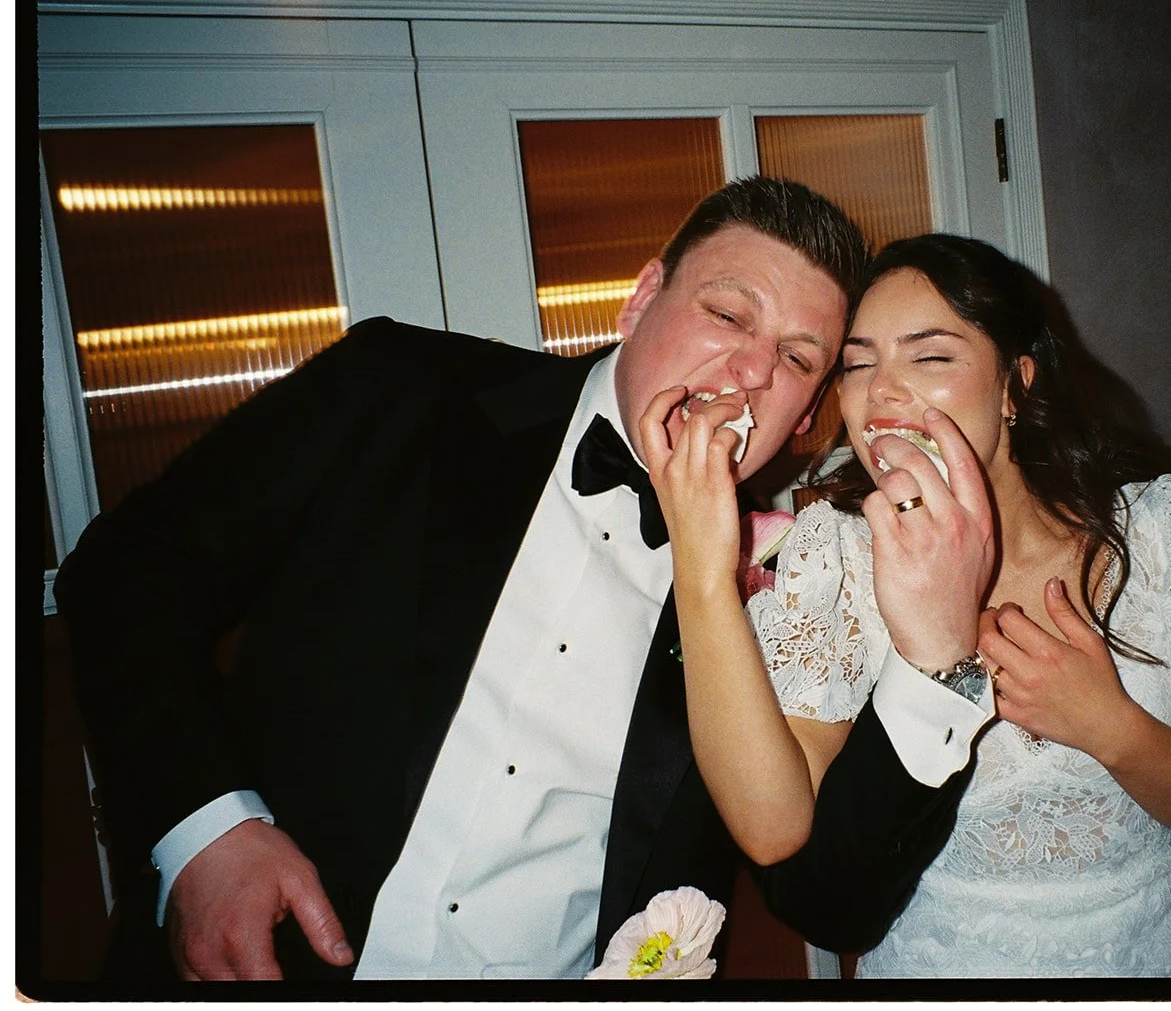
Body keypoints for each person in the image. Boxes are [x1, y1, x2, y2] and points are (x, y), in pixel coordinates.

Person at [54, 178, 982, 982]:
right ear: (643, 298)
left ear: (810, 412)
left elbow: (829, 899)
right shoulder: (404, 390)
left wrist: (937, 659)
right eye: (728, 314)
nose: (748, 372)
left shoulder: (790, 577)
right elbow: (133, 567)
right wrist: (204, 832)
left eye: (797, 359)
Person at [655, 232, 1171, 977]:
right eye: (857, 364)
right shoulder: (839, 552)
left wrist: (1112, 728)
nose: (881, 392)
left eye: (931, 356)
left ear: (1017, 384)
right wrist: (701, 563)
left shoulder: (1165, 531)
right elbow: (770, 826)